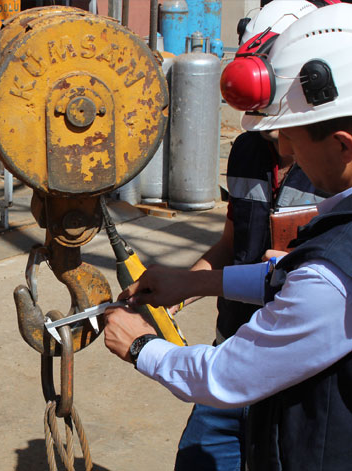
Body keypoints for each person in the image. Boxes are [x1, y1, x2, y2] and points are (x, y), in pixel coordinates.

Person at [103, 4, 352, 470]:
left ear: (342, 144)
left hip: (290, 394)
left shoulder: (331, 270)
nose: (284, 148)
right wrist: (194, 282)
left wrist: (141, 347)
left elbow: (230, 373)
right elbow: (287, 272)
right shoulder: (333, 224)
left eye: (292, 136)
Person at [169, 2, 329, 469]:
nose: (278, 144)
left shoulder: (338, 173)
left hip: (300, 372)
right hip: (232, 352)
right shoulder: (245, 151)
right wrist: (179, 288)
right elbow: (230, 244)